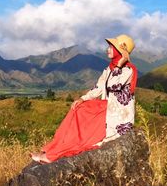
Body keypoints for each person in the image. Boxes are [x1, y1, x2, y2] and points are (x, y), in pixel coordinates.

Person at [30, 34, 138, 164]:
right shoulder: (109, 69)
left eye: (111, 47)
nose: (107, 49)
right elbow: (98, 88)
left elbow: (114, 85)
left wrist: (120, 65)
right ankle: (53, 149)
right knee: (78, 108)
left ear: (120, 50)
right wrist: (83, 98)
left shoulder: (128, 70)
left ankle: (54, 154)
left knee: (85, 122)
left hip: (116, 113)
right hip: (107, 106)